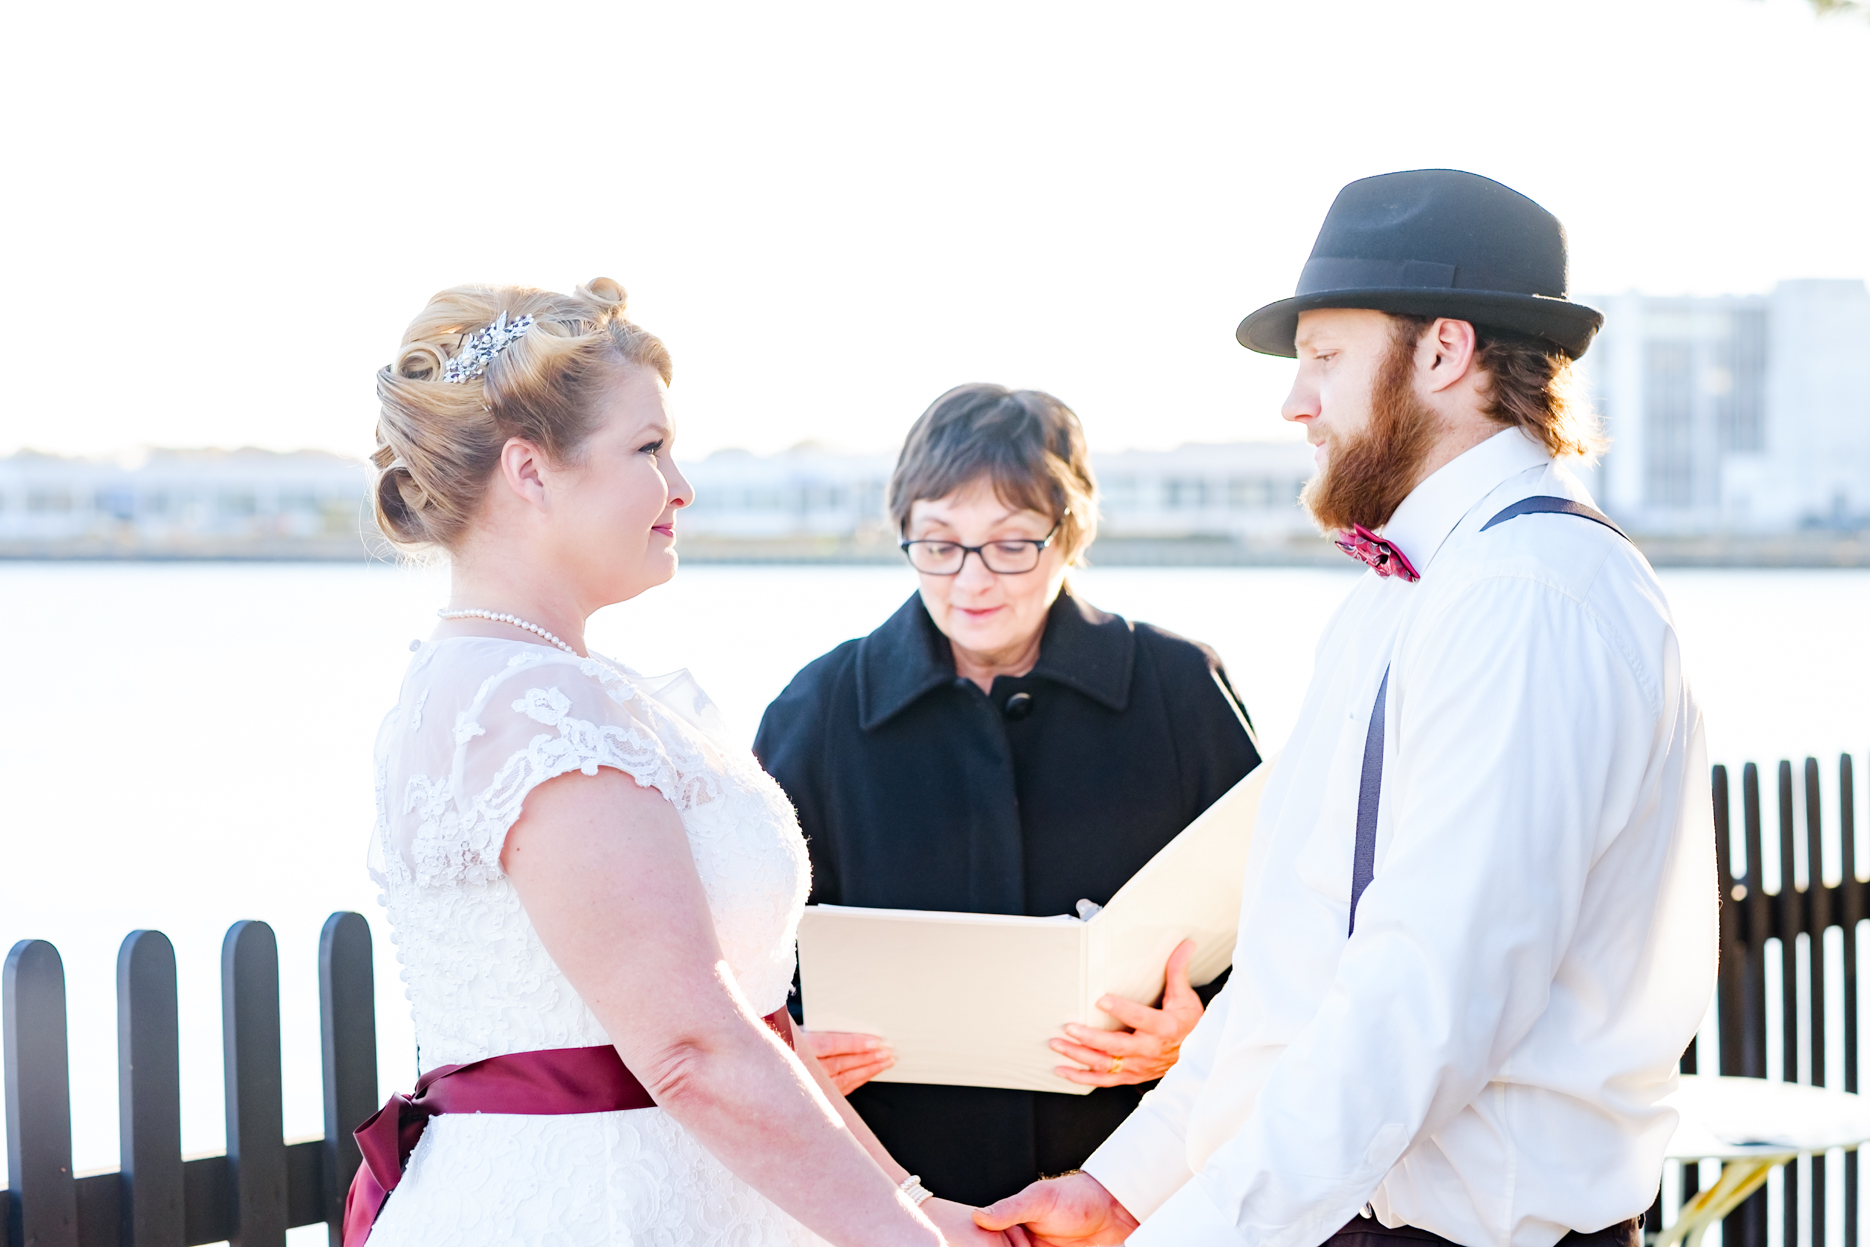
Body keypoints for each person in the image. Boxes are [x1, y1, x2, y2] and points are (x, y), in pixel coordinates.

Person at [976, 170, 1717, 1246]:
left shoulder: (1525, 597)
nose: (1295, 401)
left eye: (1324, 357)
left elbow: (1421, 1004)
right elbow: (1300, 967)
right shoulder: (1410, 592)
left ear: (1443, 352)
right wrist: (1127, 1187)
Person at [356, 278, 1011, 1247]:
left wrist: (920, 1211)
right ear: (530, 470)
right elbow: (692, 1049)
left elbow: (744, 1026)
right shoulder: (528, 705)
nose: (681, 486)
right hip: (590, 1206)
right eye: (648, 448)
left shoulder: (530, 686)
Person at [754, 383, 1263, 1207]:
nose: (971, 580)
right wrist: (790, 1050)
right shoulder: (816, 709)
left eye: (1012, 544)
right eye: (939, 543)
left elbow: (1283, 932)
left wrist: (1195, 1029)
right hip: (901, 1199)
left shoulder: (1180, 690)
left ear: (1073, 531)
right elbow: (746, 961)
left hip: (1133, 1190)